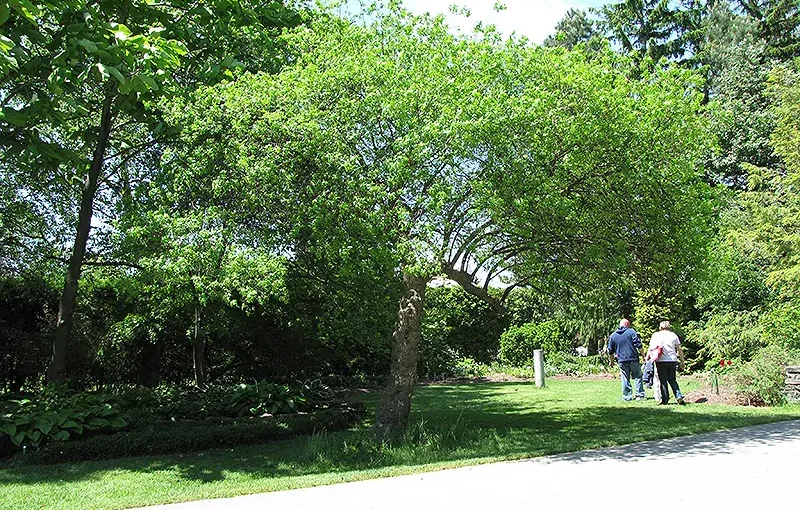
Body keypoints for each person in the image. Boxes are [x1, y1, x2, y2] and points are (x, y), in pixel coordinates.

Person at [648, 320, 685, 405]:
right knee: (672, 380)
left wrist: (648, 357)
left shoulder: (656, 335)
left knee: (663, 380)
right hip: (672, 359)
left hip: (661, 360)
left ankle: (665, 399)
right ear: (669, 326)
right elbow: (679, 349)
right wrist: (682, 361)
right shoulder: (673, 335)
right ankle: (678, 396)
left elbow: (651, 348)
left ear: (660, 327)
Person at [607, 318, 645, 401]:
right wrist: (643, 356)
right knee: (638, 376)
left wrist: (611, 361)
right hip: (633, 358)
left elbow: (610, 351)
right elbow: (639, 345)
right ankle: (640, 395)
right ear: (627, 324)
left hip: (621, 360)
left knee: (625, 378)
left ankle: (627, 396)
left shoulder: (613, 335)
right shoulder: (631, 332)